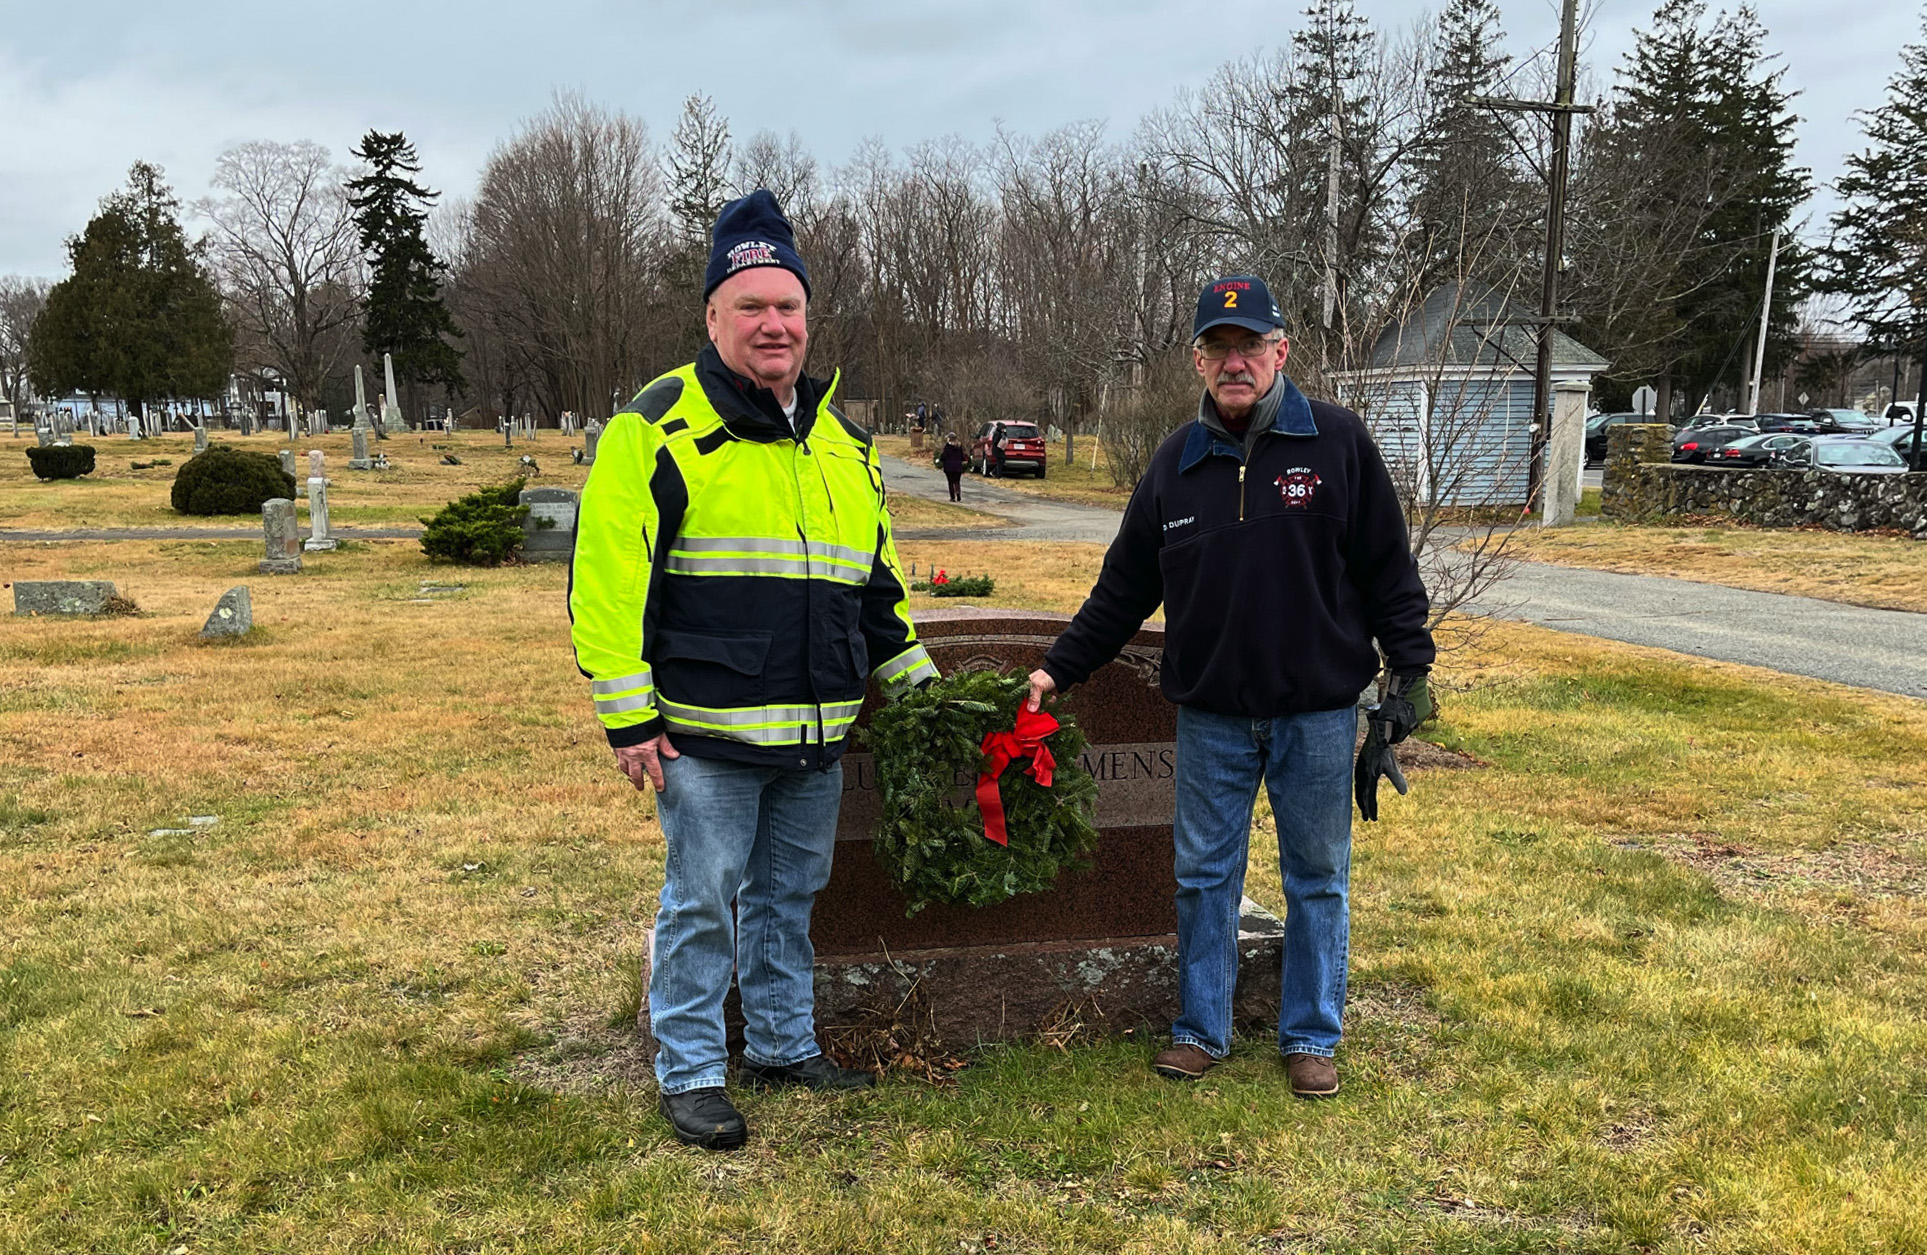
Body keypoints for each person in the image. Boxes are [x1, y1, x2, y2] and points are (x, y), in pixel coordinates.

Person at [569, 190, 939, 1150]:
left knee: (788, 897)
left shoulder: (842, 444)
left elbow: (877, 587)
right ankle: (689, 1067)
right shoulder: (654, 430)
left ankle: (781, 1044)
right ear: (713, 317)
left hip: (815, 735)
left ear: (808, 320)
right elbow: (608, 584)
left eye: (789, 308)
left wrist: (924, 694)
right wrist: (626, 715)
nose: (773, 325)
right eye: (752, 307)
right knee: (702, 899)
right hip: (707, 731)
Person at [1025, 273, 1434, 1102]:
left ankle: (1311, 1034)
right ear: (1199, 361)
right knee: (1203, 876)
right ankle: (1199, 1029)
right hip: (1212, 714)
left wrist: (1410, 674)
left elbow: (1390, 571)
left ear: (1282, 351)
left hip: (1316, 712)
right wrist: (1056, 666)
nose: (1236, 361)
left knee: (1316, 876)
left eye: (1251, 345)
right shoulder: (1177, 463)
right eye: (1220, 347)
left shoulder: (1339, 445)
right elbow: (1121, 589)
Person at [939, 431, 966, 502]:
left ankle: (952, 497)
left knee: (950, 482)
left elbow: (943, 456)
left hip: (949, 467)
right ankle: (958, 493)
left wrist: (941, 459)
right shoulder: (959, 446)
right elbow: (963, 457)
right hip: (958, 467)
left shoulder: (947, 447)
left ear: (949, 439)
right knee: (957, 481)